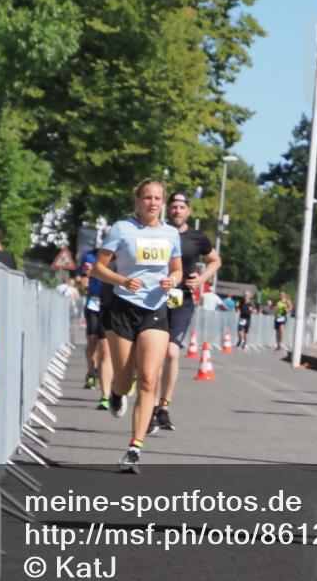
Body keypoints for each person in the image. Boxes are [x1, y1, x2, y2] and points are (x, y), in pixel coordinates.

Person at [93, 178, 182, 473]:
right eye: (147, 198)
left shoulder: (171, 234)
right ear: (138, 200)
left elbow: (178, 269)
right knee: (125, 379)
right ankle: (117, 393)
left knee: (147, 379)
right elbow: (98, 268)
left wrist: (174, 280)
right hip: (123, 309)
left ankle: (135, 448)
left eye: (157, 198)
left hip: (155, 309)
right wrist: (122, 280)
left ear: (163, 202)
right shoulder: (121, 229)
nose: (153, 203)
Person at [148, 192, 221, 434]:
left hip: (182, 301)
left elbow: (215, 260)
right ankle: (149, 406)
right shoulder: (157, 232)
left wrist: (200, 279)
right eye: (174, 207)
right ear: (168, 210)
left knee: (170, 353)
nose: (177, 210)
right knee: (153, 356)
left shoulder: (197, 237)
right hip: (155, 299)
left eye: (182, 207)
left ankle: (163, 406)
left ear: (188, 211)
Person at [77, 245, 115, 402]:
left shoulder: (119, 256)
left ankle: (105, 394)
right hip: (93, 302)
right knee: (92, 340)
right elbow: (80, 277)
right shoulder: (89, 255)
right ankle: (91, 371)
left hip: (110, 303)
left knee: (105, 347)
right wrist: (84, 278)